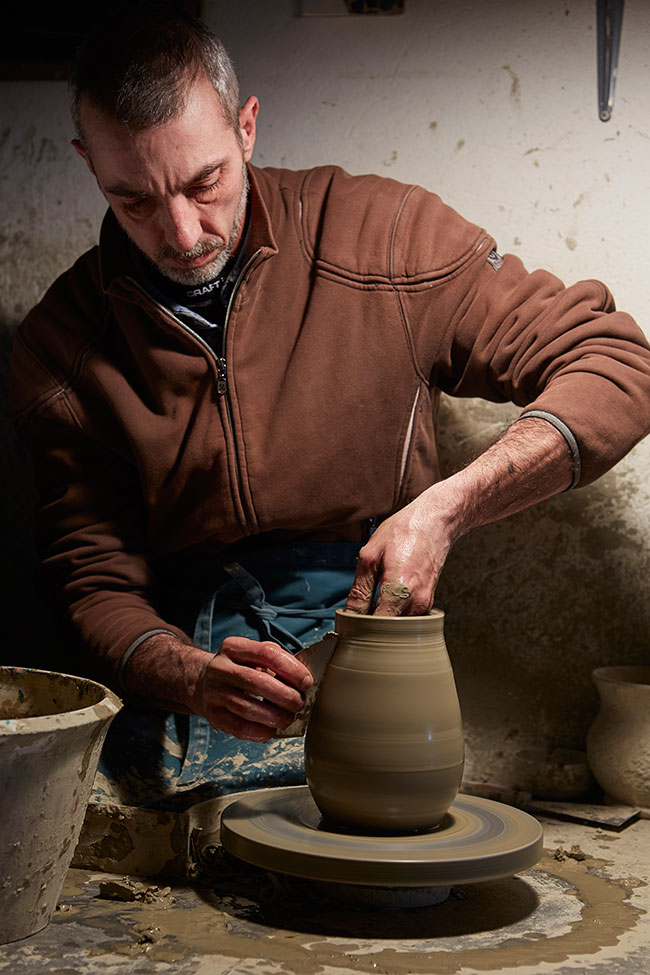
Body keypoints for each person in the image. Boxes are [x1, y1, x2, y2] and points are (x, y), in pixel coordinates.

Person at [10, 8, 650, 806]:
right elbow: (91, 583)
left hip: (370, 637)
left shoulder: (385, 239)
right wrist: (187, 674)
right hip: (188, 663)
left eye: (203, 182)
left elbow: (617, 363)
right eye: (132, 199)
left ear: (246, 128)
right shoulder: (61, 345)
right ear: (87, 164)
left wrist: (446, 509)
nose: (180, 232)